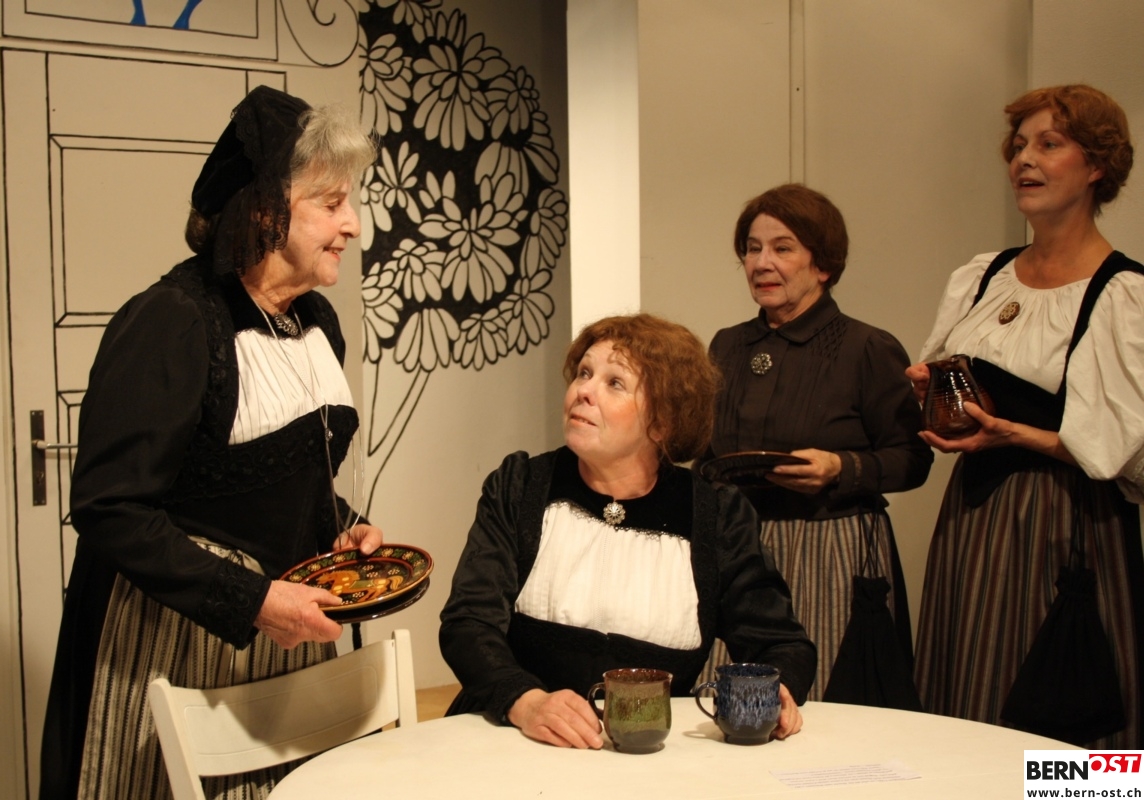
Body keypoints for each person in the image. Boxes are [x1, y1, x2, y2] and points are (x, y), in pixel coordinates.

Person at [38, 86, 382, 800]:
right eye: (330, 204)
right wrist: (251, 599)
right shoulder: (173, 321)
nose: (352, 224)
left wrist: (342, 526)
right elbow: (110, 508)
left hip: (283, 636)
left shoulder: (315, 321)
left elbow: (273, 475)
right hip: (171, 642)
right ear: (264, 210)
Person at [439, 313, 816, 749]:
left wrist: (778, 688)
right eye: (584, 373)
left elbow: (781, 644)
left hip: (647, 754)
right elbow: (468, 624)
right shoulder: (521, 486)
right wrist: (525, 701)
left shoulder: (715, 514)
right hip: (515, 738)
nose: (583, 391)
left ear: (662, 422)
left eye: (614, 383)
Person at [910, 84, 1144, 747]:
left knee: (1065, 714)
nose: (1024, 160)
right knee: (968, 699)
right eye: (1018, 146)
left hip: (1066, 527)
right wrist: (933, 393)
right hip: (974, 521)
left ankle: (1085, 793)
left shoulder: (1123, 295)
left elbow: (1130, 452)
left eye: (1049, 144)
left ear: (1096, 165)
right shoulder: (985, 276)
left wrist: (1020, 434)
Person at [701, 184, 932, 702]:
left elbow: (914, 458)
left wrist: (841, 468)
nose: (762, 262)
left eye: (782, 248)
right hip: (738, 548)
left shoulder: (866, 346)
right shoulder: (728, 344)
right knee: (728, 706)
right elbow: (707, 454)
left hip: (829, 548)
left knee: (819, 708)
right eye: (753, 249)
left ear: (822, 264)